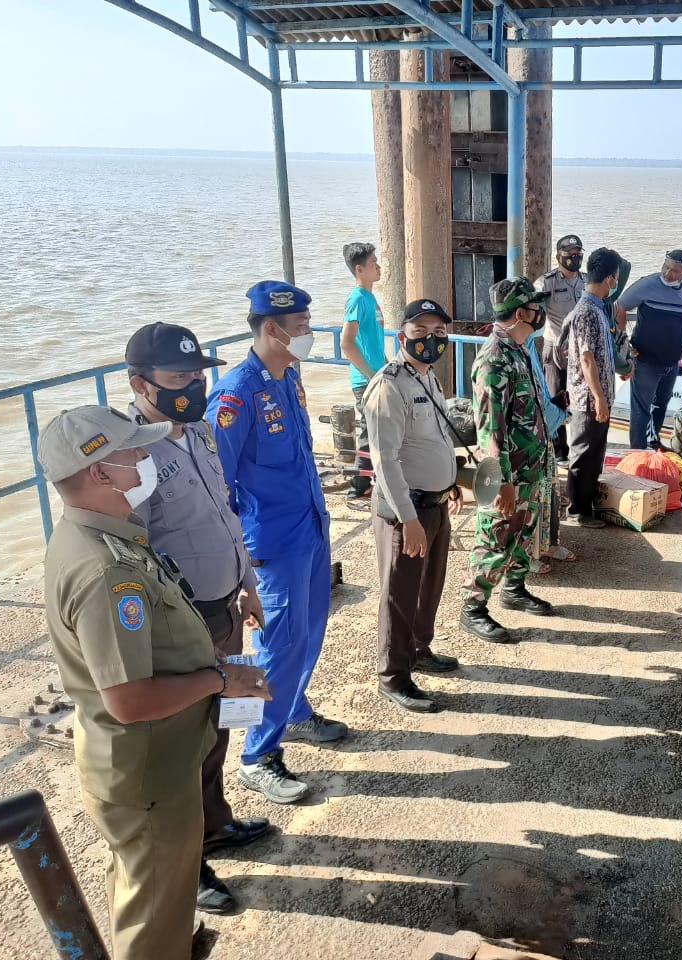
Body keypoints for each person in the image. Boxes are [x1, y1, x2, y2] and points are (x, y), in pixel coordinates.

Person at [39, 405, 269, 958]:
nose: (146, 458)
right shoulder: (106, 571)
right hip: (147, 776)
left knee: (151, 898)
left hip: (153, 766)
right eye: (133, 452)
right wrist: (218, 679)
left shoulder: (107, 539)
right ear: (99, 473)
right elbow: (128, 700)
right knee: (153, 925)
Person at [123, 322, 270, 915]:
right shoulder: (128, 454)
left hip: (225, 605)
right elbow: (131, 548)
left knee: (217, 729)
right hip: (178, 624)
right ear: (140, 383)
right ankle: (188, 868)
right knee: (179, 748)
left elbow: (224, 514)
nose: (191, 388)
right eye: (178, 379)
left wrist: (247, 586)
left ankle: (214, 824)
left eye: (197, 376)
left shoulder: (201, 433)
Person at [207, 281, 344, 806]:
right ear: (272, 329)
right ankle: (257, 755)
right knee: (278, 643)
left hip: (308, 526)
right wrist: (239, 561)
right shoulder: (235, 394)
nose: (309, 333)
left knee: (309, 632)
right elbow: (217, 484)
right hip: (271, 542)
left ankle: (291, 708)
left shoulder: (289, 378)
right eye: (302, 326)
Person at [364, 297, 462, 713]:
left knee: (429, 586)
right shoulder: (389, 385)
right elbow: (384, 459)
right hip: (408, 509)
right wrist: (409, 520)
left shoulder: (428, 378)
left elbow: (434, 438)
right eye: (420, 331)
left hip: (435, 504)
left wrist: (453, 481)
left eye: (439, 332)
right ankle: (394, 675)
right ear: (402, 335)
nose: (431, 340)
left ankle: (420, 650)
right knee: (400, 592)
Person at [459, 278, 555, 644]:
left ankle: (513, 589)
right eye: (534, 307)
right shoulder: (494, 361)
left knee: (523, 531)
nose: (540, 313)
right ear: (520, 313)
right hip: (508, 473)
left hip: (530, 466)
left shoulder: (519, 348)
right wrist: (502, 483)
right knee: (496, 537)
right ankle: (473, 608)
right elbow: (489, 432)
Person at [564, 247, 621, 529]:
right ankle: (575, 510)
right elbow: (586, 358)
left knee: (594, 454)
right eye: (616, 278)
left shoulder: (597, 309)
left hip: (597, 397)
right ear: (610, 278)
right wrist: (599, 398)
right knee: (583, 454)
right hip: (587, 398)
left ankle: (585, 506)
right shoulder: (587, 311)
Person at [617, 249, 682, 450]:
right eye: (666, 267)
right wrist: (623, 343)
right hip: (646, 360)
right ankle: (638, 451)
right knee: (642, 408)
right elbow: (619, 306)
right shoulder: (648, 284)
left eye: (675, 271)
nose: (667, 274)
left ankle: (654, 443)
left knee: (661, 404)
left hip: (672, 361)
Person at [523, 329, 575, 574]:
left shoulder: (530, 343)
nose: (540, 314)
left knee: (549, 495)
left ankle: (548, 544)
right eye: (535, 307)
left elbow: (539, 387)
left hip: (544, 433)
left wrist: (554, 406)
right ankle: (527, 556)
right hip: (523, 442)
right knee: (529, 502)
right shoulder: (504, 350)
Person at [341, 242, 387, 506]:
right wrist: (370, 374)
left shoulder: (369, 298)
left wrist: (387, 365)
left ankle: (370, 484)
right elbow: (346, 343)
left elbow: (371, 341)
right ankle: (356, 490)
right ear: (360, 269)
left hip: (378, 375)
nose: (378, 266)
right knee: (369, 434)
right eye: (373, 263)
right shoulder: (357, 299)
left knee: (379, 432)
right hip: (366, 380)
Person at [535, 234, 585, 462]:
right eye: (569, 255)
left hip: (581, 350)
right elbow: (532, 306)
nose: (574, 259)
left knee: (581, 397)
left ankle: (579, 445)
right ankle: (559, 450)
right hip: (555, 348)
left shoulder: (586, 282)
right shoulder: (547, 282)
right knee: (555, 397)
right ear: (558, 257)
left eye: (578, 254)